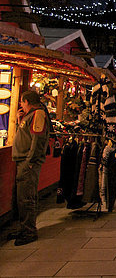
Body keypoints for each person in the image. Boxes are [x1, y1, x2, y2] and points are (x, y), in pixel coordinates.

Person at [10, 90, 50, 246]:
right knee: (22, 197)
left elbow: (37, 139)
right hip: (24, 160)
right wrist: (21, 119)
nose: (21, 104)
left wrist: (30, 161)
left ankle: (29, 231)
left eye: (22, 102)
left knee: (26, 198)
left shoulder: (38, 114)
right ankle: (24, 228)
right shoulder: (30, 115)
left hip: (28, 162)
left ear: (27, 101)